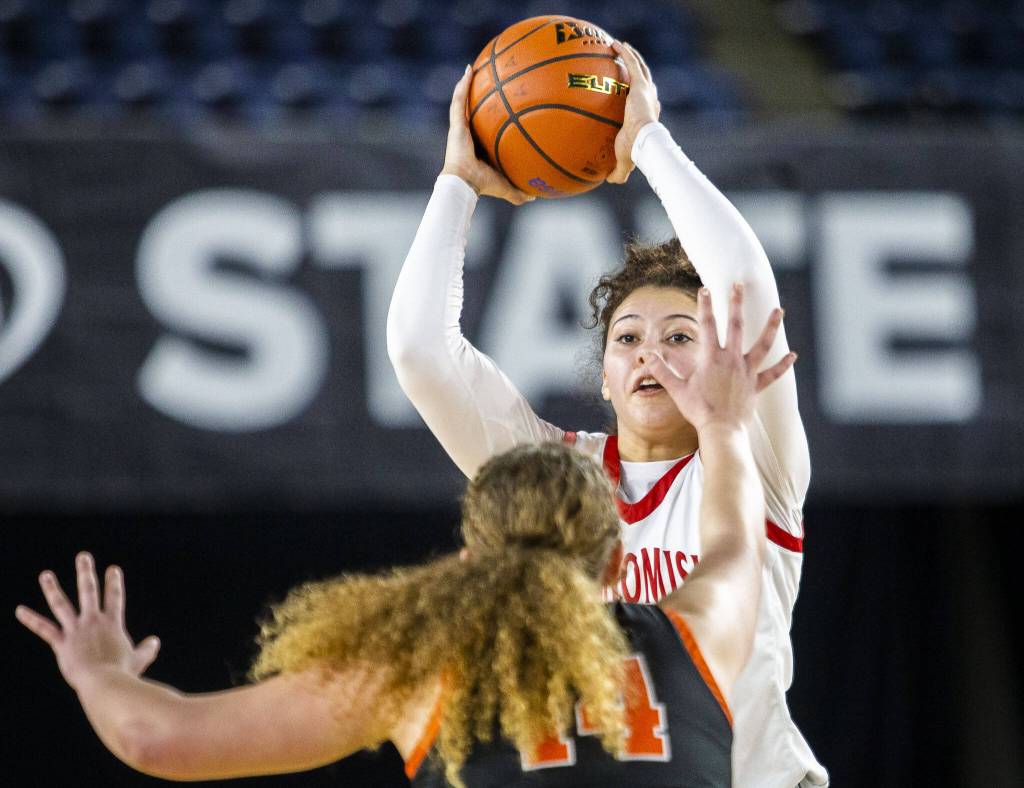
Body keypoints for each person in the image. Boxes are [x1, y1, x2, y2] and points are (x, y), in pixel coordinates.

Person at [18, 289, 788, 787]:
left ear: (470, 557)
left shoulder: (424, 669)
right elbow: (731, 536)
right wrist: (721, 423)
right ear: (620, 563)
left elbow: (159, 740)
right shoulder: (696, 637)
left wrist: (98, 672)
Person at [387, 40, 827, 787]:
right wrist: (458, 183)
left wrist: (646, 143)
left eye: (680, 335)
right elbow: (419, 352)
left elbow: (744, 281)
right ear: (606, 380)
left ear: (726, 359)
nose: (651, 353)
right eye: (629, 339)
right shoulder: (557, 478)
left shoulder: (754, 462)